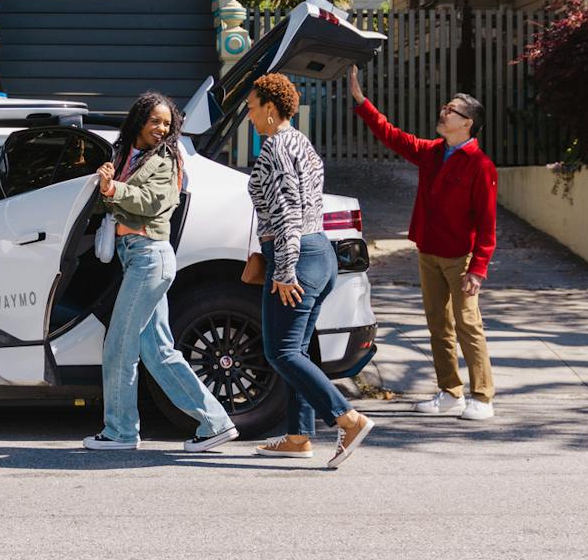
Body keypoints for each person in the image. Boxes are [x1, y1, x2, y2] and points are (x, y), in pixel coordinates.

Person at [82, 91, 239, 453]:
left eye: (166, 123)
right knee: (158, 352)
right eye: (155, 121)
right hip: (136, 258)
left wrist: (114, 188)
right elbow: (115, 199)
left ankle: (120, 432)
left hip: (150, 257)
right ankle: (215, 423)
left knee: (119, 346)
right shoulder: (125, 155)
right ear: (139, 120)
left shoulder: (167, 159)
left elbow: (154, 202)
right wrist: (106, 183)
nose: (161, 128)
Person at [347, 66, 497, 420]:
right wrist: (361, 101)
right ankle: (450, 392)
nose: (443, 113)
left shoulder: (480, 165)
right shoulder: (432, 152)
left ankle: (483, 396)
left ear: (467, 123)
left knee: (467, 324)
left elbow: (488, 225)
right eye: (445, 107)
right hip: (428, 252)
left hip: (461, 258)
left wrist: (478, 268)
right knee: (437, 324)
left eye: (452, 110)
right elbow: (392, 135)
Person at [246, 73, 376, 468]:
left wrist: (284, 269)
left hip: (296, 256)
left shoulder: (276, 147)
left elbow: (287, 211)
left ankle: (348, 419)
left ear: (271, 108)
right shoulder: (301, 142)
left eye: (252, 108)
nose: (249, 116)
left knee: (281, 351)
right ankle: (300, 436)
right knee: (297, 350)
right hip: (320, 253)